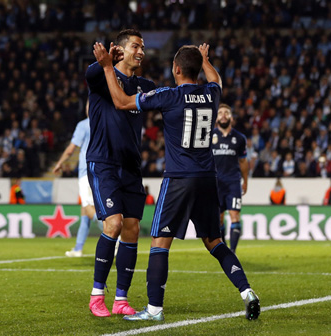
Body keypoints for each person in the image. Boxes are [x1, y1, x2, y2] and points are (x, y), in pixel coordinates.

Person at [93, 42, 260, 321]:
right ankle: (247, 292)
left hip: (180, 178)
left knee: (159, 242)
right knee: (215, 242)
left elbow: (122, 102)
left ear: (177, 69)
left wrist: (108, 67)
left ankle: (154, 309)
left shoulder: (168, 96)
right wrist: (206, 60)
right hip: (208, 179)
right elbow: (215, 79)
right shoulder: (211, 95)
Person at [85, 29, 157, 317]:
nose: (141, 51)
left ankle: (121, 299)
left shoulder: (146, 85)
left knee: (132, 228)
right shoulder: (101, 77)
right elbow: (91, 76)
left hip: (131, 167)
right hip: (104, 163)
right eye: (137, 46)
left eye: (143, 47)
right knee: (113, 224)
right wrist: (104, 63)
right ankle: (96, 296)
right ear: (122, 49)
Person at [53, 101, 103, 257]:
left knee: (89, 209)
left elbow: (71, 149)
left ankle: (114, 236)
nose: (88, 107)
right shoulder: (105, 123)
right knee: (84, 211)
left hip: (86, 171)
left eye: (89, 105)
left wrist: (60, 163)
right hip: (102, 171)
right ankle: (78, 248)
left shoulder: (84, 125)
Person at [211, 103, 249, 252]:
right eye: (220, 113)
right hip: (215, 183)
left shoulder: (240, 138)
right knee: (219, 218)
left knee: (235, 215)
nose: (223, 115)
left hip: (233, 182)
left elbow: (243, 162)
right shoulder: (209, 136)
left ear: (231, 118)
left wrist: (245, 181)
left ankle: (232, 252)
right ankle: (225, 249)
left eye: (226, 113)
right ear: (216, 118)